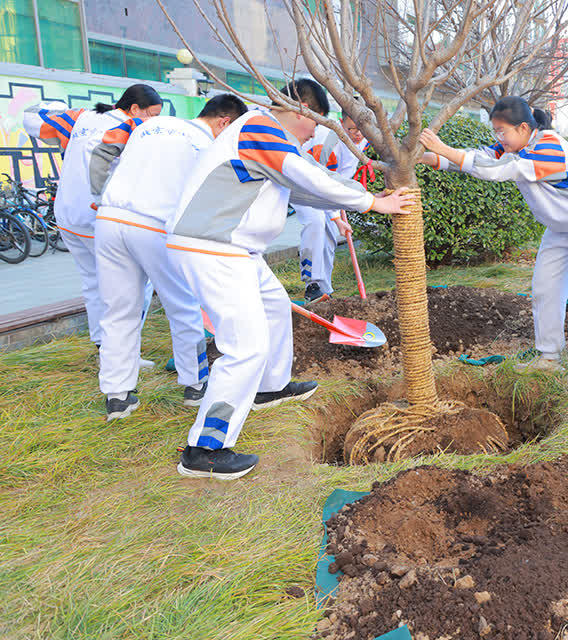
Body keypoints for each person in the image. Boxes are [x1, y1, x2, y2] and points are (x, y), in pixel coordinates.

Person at [165, 80, 414, 480]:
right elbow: (306, 175)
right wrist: (372, 203)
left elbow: (307, 186)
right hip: (213, 246)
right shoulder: (259, 126)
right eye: (316, 122)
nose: (315, 133)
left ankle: (270, 386)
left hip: (237, 249)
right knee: (245, 347)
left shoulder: (273, 142)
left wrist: (364, 199)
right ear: (301, 109)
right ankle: (205, 449)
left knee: (276, 308)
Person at [419, 97, 568, 378]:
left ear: (523, 127)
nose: (498, 138)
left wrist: (442, 148)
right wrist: (432, 158)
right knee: (544, 290)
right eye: (495, 132)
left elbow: (500, 170)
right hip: (559, 227)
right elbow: (481, 159)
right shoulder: (511, 146)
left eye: (502, 131)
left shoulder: (549, 147)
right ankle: (549, 357)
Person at [89, 94, 249, 421]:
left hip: (109, 219)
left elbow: (107, 155)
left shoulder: (153, 125)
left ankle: (118, 396)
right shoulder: (207, 145)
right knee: (183, 304)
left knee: (118, 309)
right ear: (225, 122)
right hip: (155, 225)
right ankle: (195, 384)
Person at [23, 85, 163, 347]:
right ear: (135, 108)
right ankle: (122, 348)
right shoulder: (132, 128)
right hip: (98, 216)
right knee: (134, 283)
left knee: (92, 281)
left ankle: (101, 343)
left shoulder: (81, 117)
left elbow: (32, 119)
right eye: (152, 114)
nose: (153, 121)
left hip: (67, 214)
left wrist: (56, 107)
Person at [295, 113, 371, 301]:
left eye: (362, 128)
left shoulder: (365, 137)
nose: (358, 134)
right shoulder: (327, 144)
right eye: (352, 129)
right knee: (316, 221)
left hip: (330, 185)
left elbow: (343, 175)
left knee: (330, 233)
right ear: (341, 123)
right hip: (302, 182)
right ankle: (312, 284)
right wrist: (336, 217)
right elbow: (320, 184)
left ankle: (324, 289)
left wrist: (340, 203)